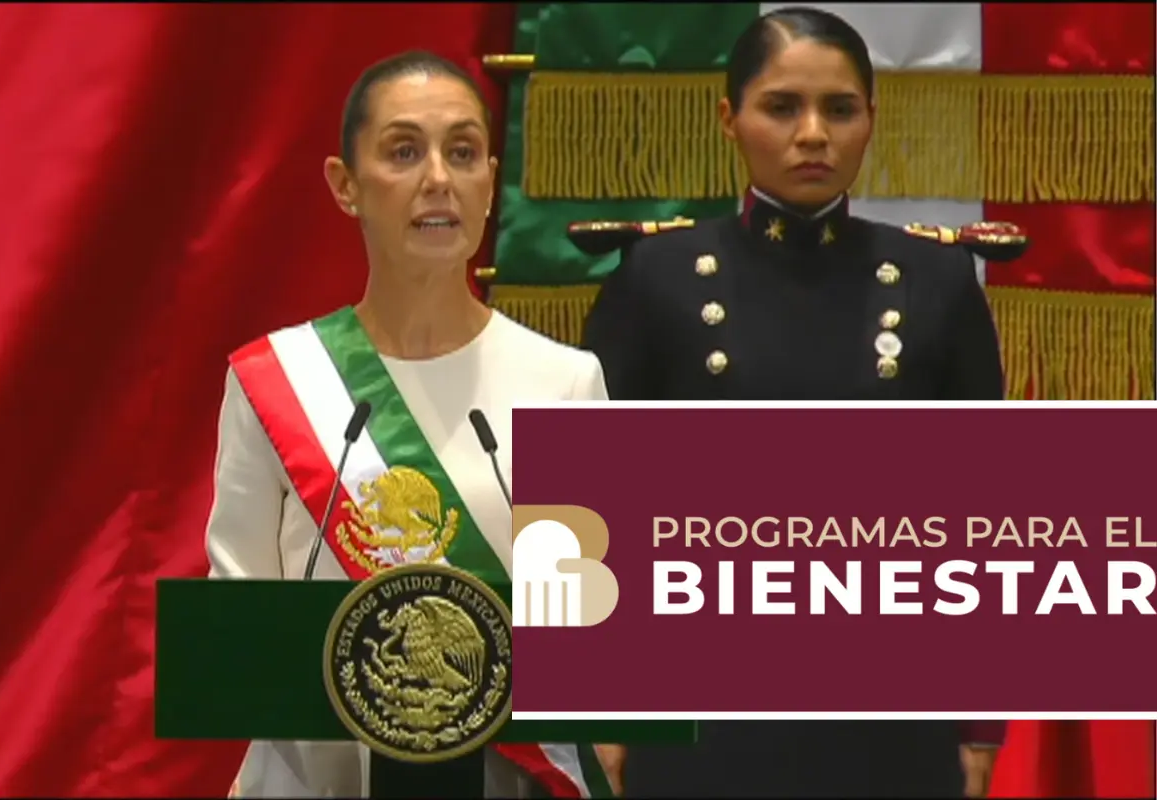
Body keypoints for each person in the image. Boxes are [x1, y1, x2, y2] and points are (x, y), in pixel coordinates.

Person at [583, 7, 1006, 799]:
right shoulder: (656, 278)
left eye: (839, 109)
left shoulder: (936, 283)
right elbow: (590, 501)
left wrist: (980, 721)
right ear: (729, 119)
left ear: (871, 122)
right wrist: (597, 706)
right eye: (782, 106)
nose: (813, 133)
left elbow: (984, 509)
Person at [205, 50, 610, 798]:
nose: (438, 178)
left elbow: (597, 648)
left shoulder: (567, 382)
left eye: (462, 152)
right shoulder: (275, 381)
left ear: (491, 180)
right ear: (345, 185)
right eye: (403, 151)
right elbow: (236, 634)